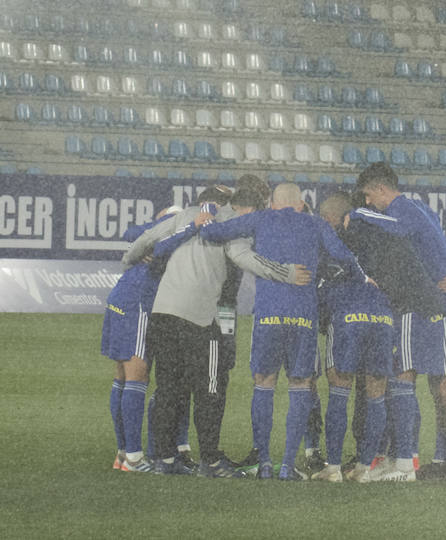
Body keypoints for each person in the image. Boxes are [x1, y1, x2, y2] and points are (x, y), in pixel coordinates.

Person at [123, 178, 311, 477]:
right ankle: (209, 462)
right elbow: (245, 258)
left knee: (169, 388)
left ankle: (164, 460)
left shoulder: (185, 216)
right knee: (211, 387)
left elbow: (145, 239)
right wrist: (286, 273)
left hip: (163, 313)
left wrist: (129, 259)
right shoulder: (228, 226)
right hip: (200, 317)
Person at [198, 182, 366, 480]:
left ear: (272, 205)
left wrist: (208, 213)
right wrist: (359, 277)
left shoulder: (260, 219)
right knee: (300, 384)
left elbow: (211, 233)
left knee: (263, 382)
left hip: (269, 315)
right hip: (303, 316)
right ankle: (288, 465)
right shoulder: (315, 223)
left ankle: (264, 462)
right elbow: (343, 256)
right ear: (301, 204)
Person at [315, 191, 446, 481]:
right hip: (383, 316)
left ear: (329, 219)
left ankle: (334, 468)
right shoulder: (380, 235)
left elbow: (324, 280)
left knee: (339, 390)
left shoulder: (330, 240)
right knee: (376, 393)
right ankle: (365, 468)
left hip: (348, 314)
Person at [355, 162, 446, 482]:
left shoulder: (402, 209)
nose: (367, 202)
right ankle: (443, 460)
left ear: (381, 189)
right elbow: (444, 246)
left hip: (443, 305)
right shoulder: (420, 209)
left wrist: (355, 214)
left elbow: (395, 227)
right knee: (438, 383)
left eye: (368, 195)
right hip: (439, 301)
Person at [102, 205, 180, 473]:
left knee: (122, 376)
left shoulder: (152, 230)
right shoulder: (176, 224)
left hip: (120, 298)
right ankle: (134, 457)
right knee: (138, 375)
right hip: (138, 301)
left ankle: (123, 453)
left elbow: (129, 231)